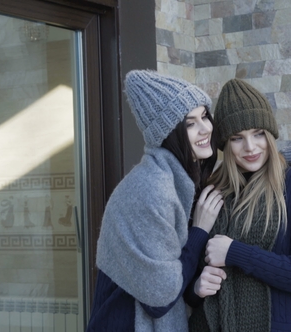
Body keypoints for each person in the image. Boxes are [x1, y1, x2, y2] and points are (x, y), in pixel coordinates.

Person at [87, 70, 224, 331]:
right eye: (190, 123)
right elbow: (160, 298)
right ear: (169, 133)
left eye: (205, 116)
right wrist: (199, 231)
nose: (206, 128)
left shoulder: (180, 177)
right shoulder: (151, 189)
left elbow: (244, 156)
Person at [188, 79, 291, 332]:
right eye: (237, 138)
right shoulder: (211, 192)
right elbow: (188, 286)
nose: (250, 147)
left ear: (269, 134)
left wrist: (234, 252)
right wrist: (197, 288)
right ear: (225, 144)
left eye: (258, 133)